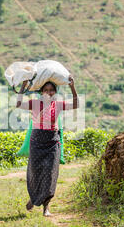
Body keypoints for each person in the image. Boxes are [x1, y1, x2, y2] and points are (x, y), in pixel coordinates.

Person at [15, 75, 78, 216]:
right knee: (36, 172)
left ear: (55, 92)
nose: (49, 92)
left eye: (51, 90)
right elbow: (18, 104)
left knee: (50, 173)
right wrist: (23, 86)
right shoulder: (35, 103)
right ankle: (34, 198)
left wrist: (72, 87)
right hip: (37, 140)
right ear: (41, 92)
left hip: (52, 141)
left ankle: (46, 208)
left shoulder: (59, 104)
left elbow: (76, 104)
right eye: (46, 90)